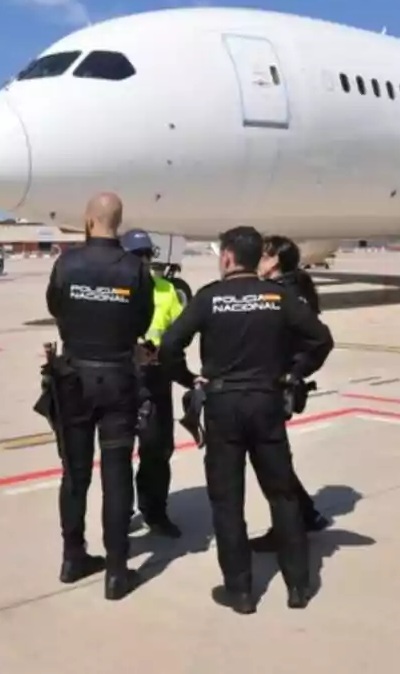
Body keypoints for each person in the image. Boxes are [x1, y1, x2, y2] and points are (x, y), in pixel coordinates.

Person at [159, 226, 334, 614]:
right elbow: (321, 340)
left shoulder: (209, 298)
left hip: (223, 406)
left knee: (227, 500)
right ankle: (298, 586)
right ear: (257, 259)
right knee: (283, 495)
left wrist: (188, 379)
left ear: (227, 257)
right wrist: (295, 372)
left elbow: (171, 345)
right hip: (267, 403)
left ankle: (240, 591)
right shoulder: (279, 297)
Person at [45, 192, 154, 601]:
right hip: (117, 380)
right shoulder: (135, 269)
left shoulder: (67, 264)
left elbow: (56, 306)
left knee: (74, 474)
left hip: (74, 378)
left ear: (88, 220)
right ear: (118, 223)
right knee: (116, 473)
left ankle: (73, 556)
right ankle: (116, 570)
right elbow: (141, 320)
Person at [249, 235, 333, 553]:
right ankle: (306, 514)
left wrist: (294, 373)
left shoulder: (286, 295)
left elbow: (318, 342)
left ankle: (289, 527)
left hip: (275, 388)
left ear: (275, 261)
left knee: (272, 462)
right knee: (273, 460)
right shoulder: (290, 289)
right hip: (274, 385)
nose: (258, 259)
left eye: (264, 255)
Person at [119, 228, 193, 538]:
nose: (142, 261)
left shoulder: (166, 291)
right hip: (122, 381)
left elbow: (180, 336)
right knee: (118, 453)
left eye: (145, 255)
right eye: (134, 256)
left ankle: (155, 510)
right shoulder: (116, 290)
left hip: (157, 379)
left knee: (157, 451)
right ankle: (120, 515)